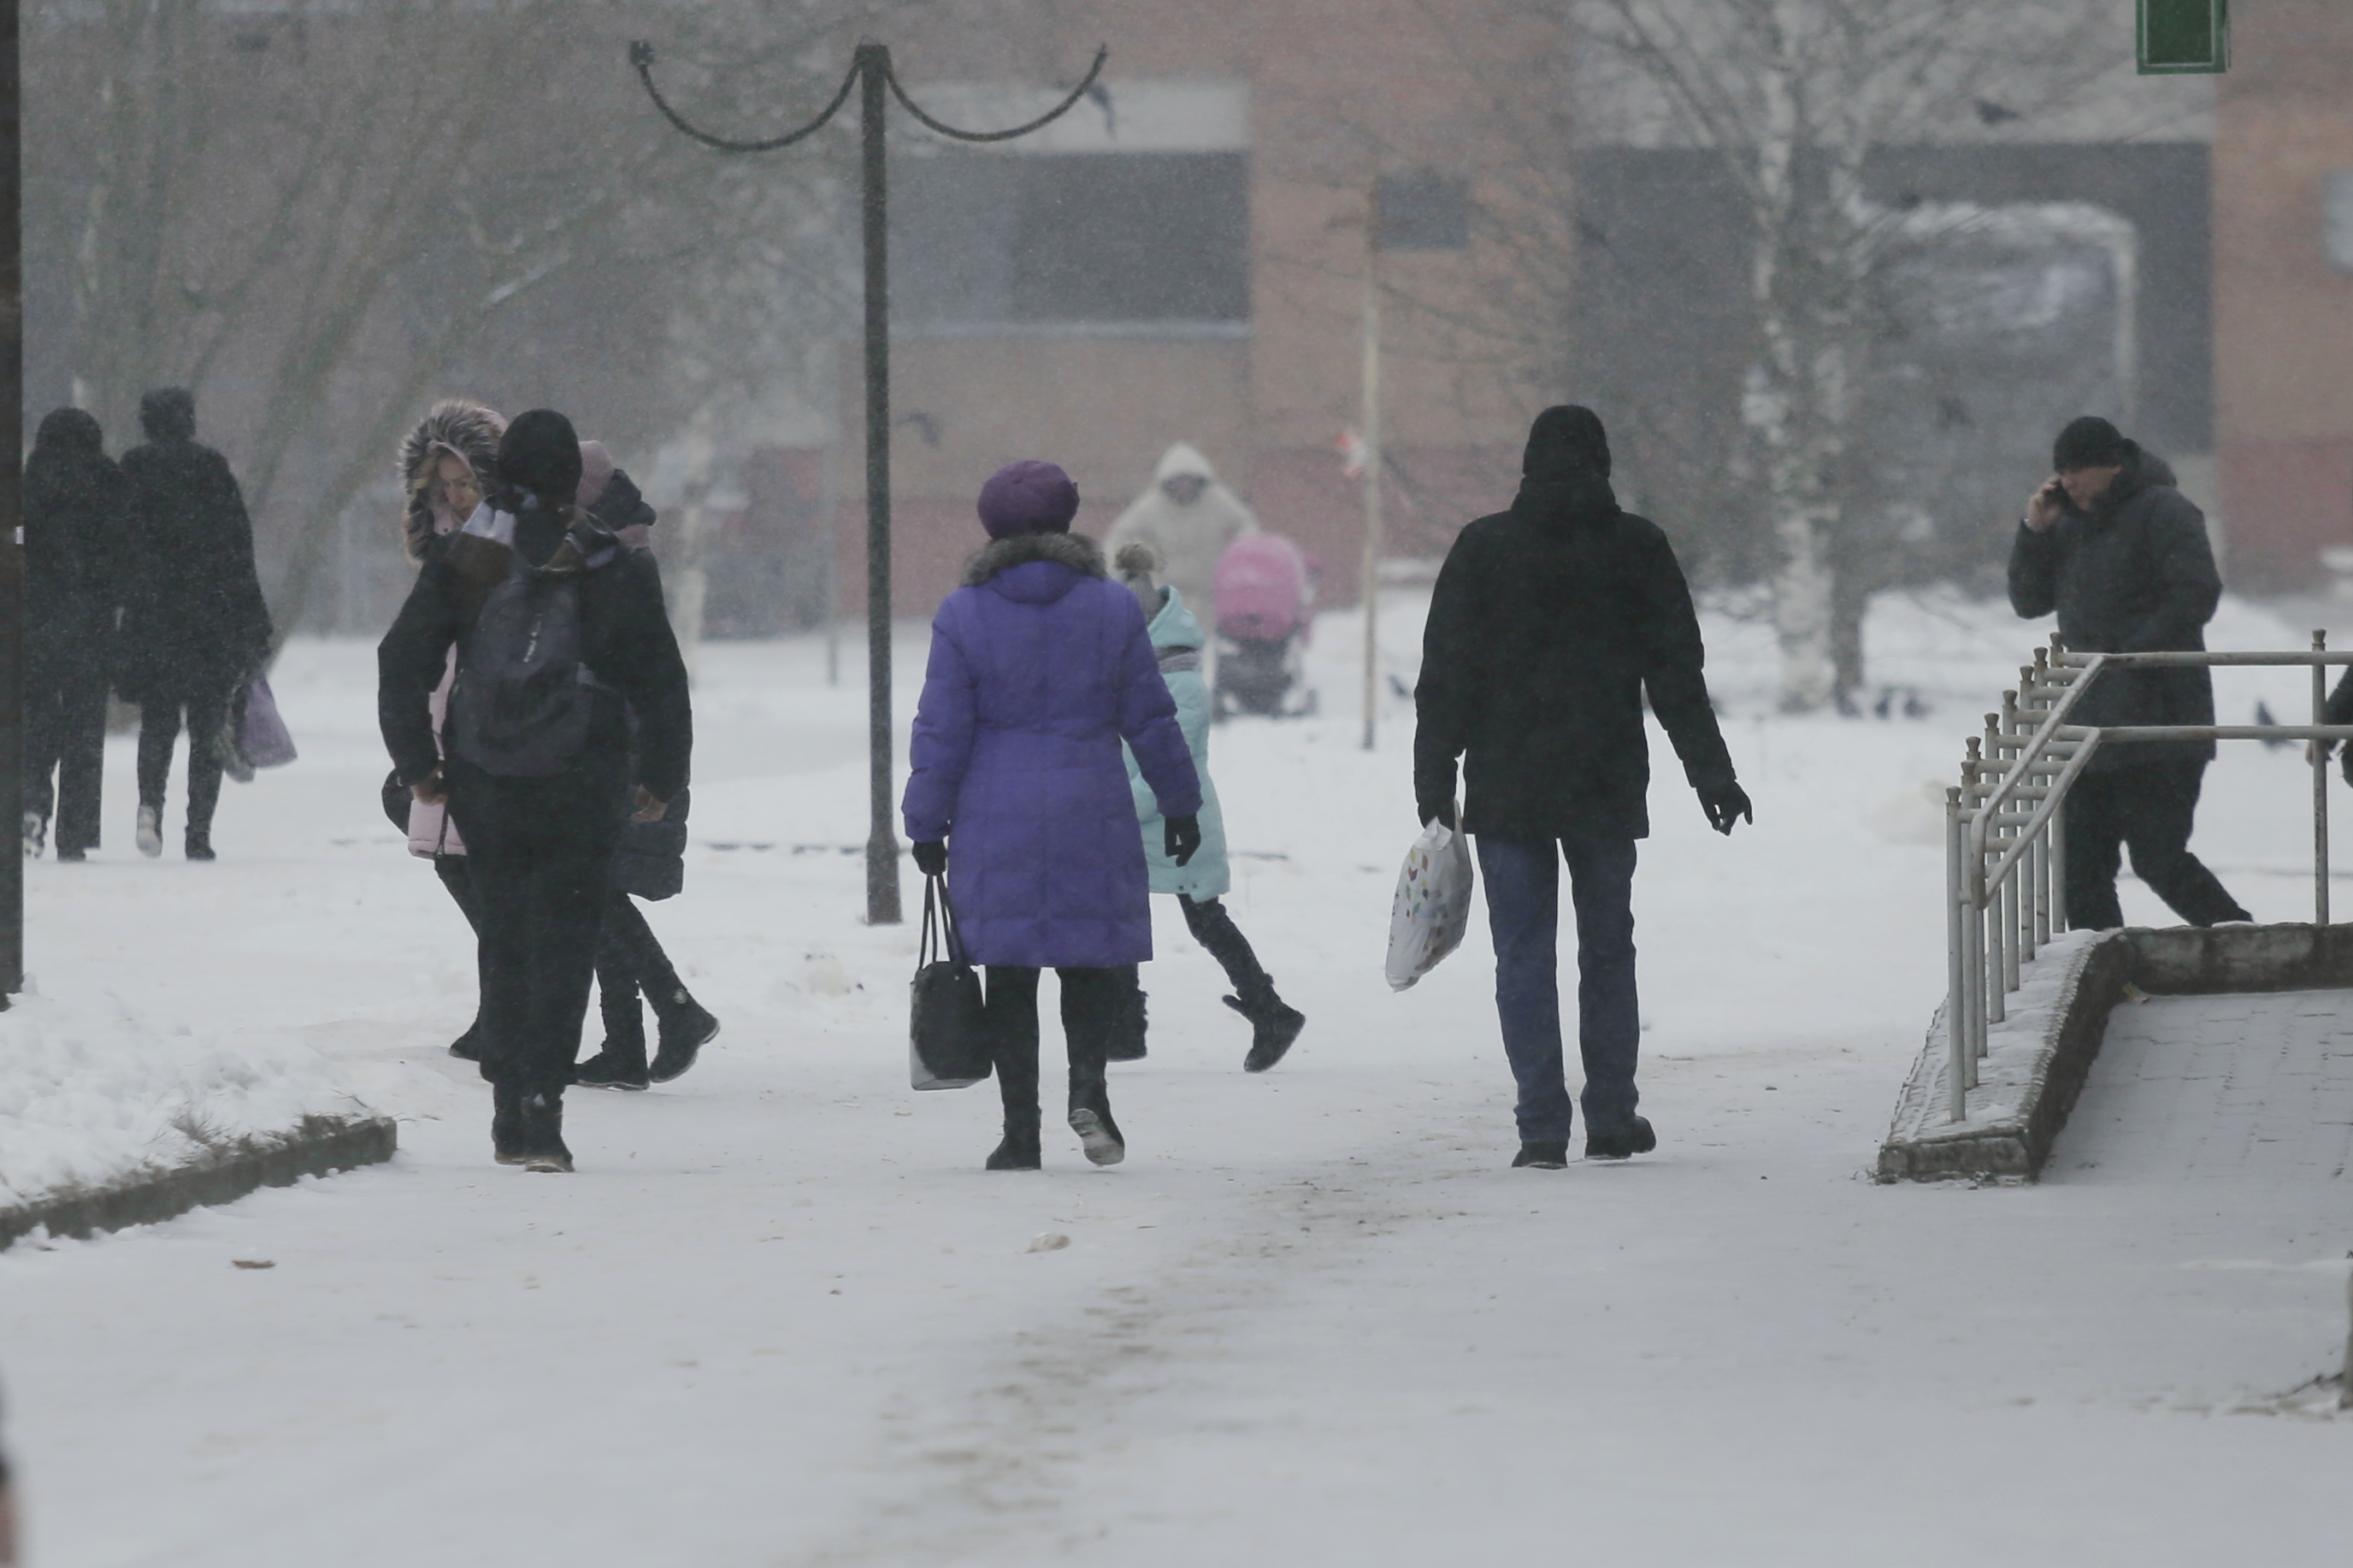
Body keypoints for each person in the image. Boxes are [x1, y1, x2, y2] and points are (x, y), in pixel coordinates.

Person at [1415, 405, 1751, 1170]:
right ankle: (1609, 1116)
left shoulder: (1483, 548)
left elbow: (1445, 679)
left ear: (1529, 465)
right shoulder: (1636, 548)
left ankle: (1539, 1129)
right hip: (1602, 780)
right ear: (1602, 462)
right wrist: (1713, 774)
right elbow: (1676, 678)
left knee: (1523, 954)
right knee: (1607, 949)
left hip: (1506, 786)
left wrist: (1434, 777)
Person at [379, 410, 691, 1172]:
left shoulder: (473, 555)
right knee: (566, 939)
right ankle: (544, 1110)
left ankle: (506, 1104)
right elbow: (658, 678)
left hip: (486, 776)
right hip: (582, 778)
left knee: (507, 933)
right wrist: (661, 778)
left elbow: (402, 657)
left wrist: (419, 762)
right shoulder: (607, 558)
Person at [903, 461, 1203, 1171]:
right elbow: (1152, 719)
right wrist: (1180, 801)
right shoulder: (1111, 608)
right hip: (1088, 805)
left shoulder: (963, 613)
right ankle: (1090, 1093)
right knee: (1087, 963)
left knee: (1008, 974)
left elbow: (940, 729)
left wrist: (924, 823)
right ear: (1069, 522)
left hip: (993, 811)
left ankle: (1020, 1132)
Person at [2009, 416, 2250, 931]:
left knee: (2158, 857)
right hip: (2093, 724)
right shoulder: (2067, 524)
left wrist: (2127, 659)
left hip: (2163, 719)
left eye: (2077, 470)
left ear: (2113, 465)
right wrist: (2034, 532)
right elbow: (2028, 601)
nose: (2067, 482)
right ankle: (2106, 962)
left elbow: (2195, 594)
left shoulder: (2165, 510)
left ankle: (2242, 938)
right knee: (2081, 865)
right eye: (2061, 472)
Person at [1106, 542, 1305, 1071]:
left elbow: (1174, 764)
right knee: (1130, 911)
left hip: (1177, 820)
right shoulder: (1141, 679)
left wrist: (1120, 809)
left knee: (1203, 918)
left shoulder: (1180, 682)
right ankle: (1127, 1025)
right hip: (1146, 818)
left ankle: (1266, 1007)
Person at [114, 387, 274, 862]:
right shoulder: (212, 469)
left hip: (154, 618)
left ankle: (148, 808)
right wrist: (252, 618)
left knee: (158, 722)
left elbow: (120, 542)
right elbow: (237, 549)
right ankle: (198, 831)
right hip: (210, 619)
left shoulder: (133, 468)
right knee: (207, 725)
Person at [22, 408, 128, 861]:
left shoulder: (31, 480)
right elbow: (125, 548)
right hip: (92, 623)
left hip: (36, 621)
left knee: (36, 719)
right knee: (85, 728)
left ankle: (29, 803)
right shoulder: (108, 480)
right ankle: (75, 830)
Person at [1103, 442, 1259, 624]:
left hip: (1210, 594)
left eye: (1189, 481)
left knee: (1205, 646)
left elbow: (1246, 524)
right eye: (1178, 482)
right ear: (1168, 483)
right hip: (1167, 594)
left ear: (1199, 480)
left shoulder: (1216, 501)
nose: (1184, 487)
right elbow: (1119, 536)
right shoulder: (1151, 506)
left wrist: (1241, 553)